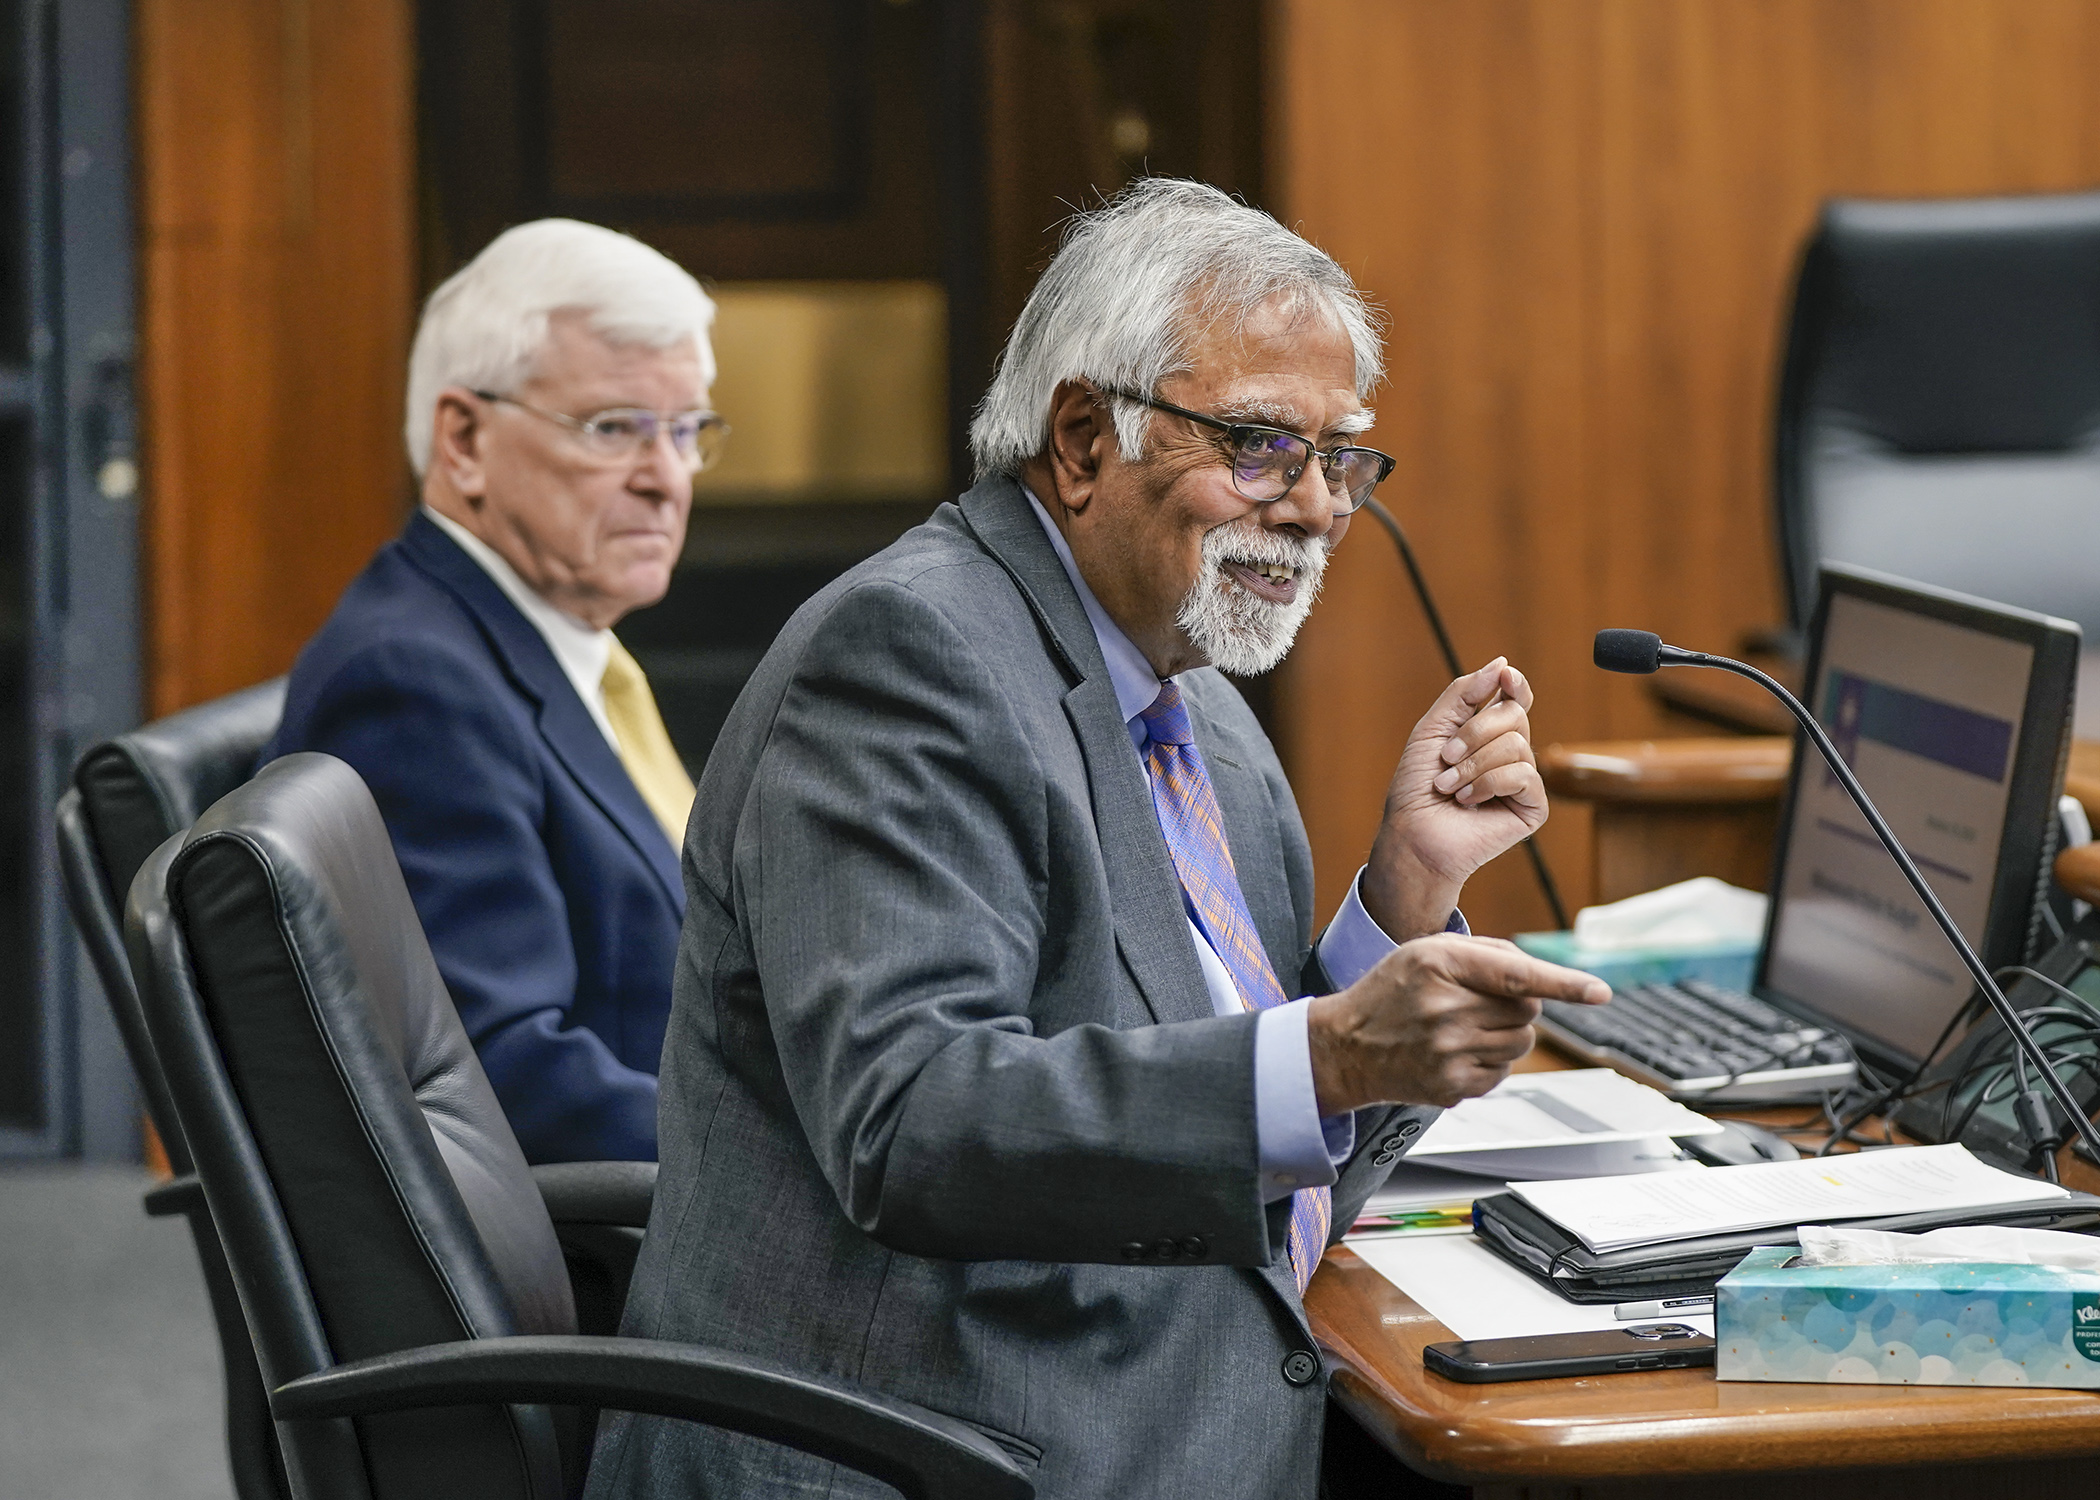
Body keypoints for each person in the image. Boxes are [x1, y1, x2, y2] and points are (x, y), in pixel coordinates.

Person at [587, 180, 1607, 1499]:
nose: (1310, 508)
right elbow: (912, 1121)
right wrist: (1334, 1052)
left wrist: (1407, 895)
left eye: (1340, 458)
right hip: (928, 1451)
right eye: (1258, 446)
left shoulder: (1208, 722)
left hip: (1116, 1405)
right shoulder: (907, 661)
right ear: (1081, 440)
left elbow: (1261, 1176)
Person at [265, 219, 723, 1162]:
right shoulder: (415, 688)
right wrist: (798, 1166)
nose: (667, 479)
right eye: (615, 429)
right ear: (464, 439)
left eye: (687, 431)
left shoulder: (554, 640)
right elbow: (505, 1080)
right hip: (633, 1250)